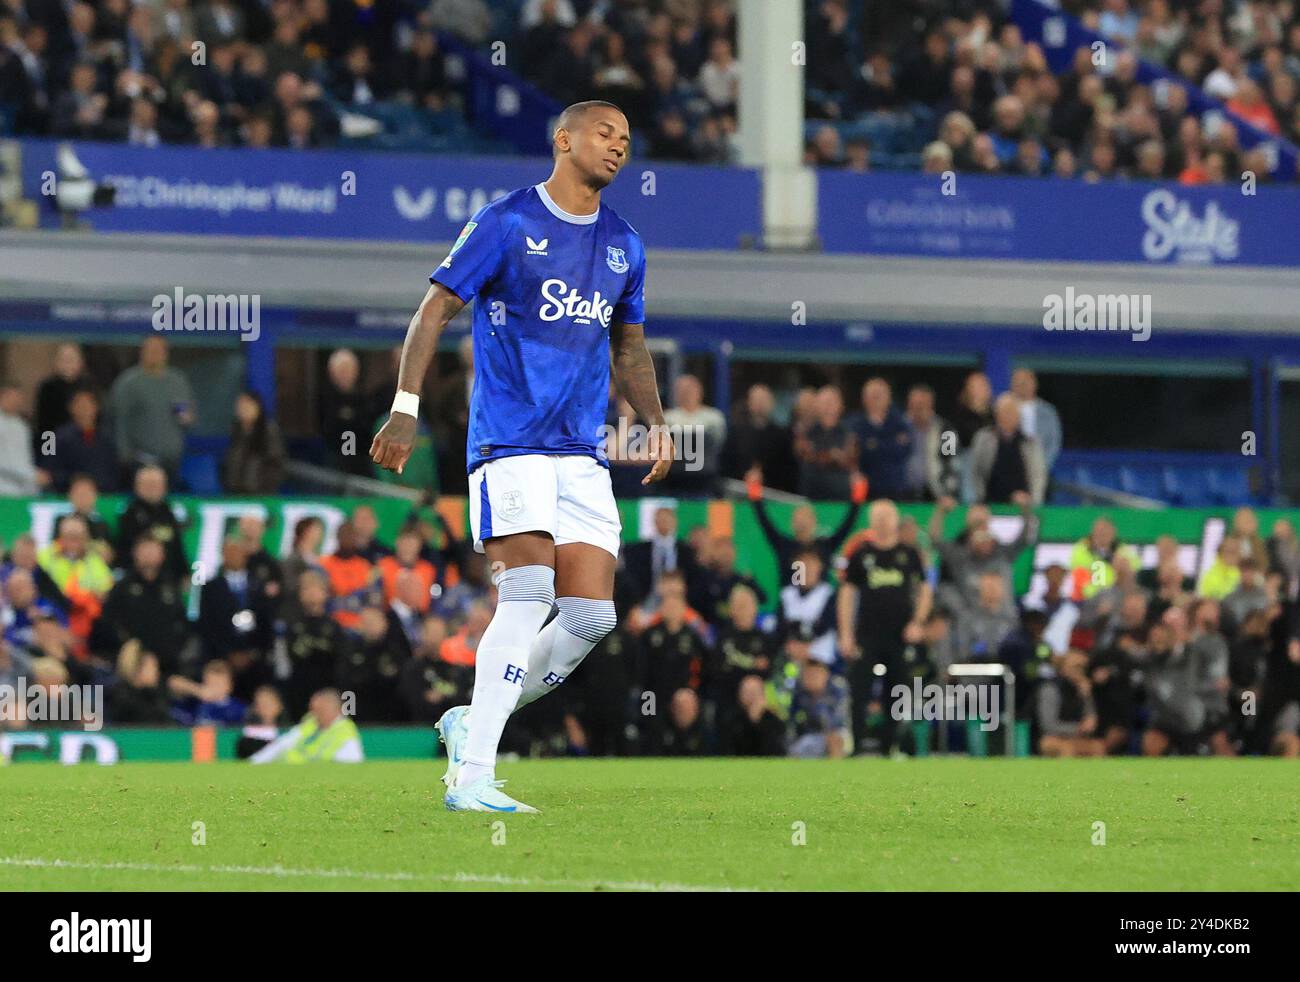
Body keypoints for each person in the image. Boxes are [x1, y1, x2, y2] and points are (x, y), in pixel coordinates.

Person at [370, 100, 668, 813]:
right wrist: (406, 409)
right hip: (510, 443)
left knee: (592, 617)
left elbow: (628, 347)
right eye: (605, 133)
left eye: (627, 139)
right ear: (563, 140)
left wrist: (655, 422)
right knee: (528, 595)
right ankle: (472, 776)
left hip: (581, 452)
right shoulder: (505, 222)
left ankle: (475, 722)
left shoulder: (626, 244)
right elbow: (434, 309)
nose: (619, 147)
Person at [838, 500, 931, 755]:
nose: (882, 522)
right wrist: (846, 633)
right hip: (866, 636)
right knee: (860, 692)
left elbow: (924, 590)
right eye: (877, 517)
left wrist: (918, 622)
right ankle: (856, 747)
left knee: (897, 691)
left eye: (887, 517)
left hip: (899, 636)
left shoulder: (909, 554)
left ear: (895, 520)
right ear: (870, 521)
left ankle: (890, 746)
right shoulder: (861, 554)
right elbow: (847, 593)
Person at [107, 335, 194, 484]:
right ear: (142, 352)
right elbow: (119, 421)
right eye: (151, 350)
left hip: (172, 460)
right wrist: (125, 456)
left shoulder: (177, 381)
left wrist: (186, 418)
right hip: (139, 460)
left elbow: (186, 415)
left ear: (166, 353)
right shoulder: (128, 383)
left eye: (159, 350)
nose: (155, 354)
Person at [250, 688, 365, 763]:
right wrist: (255, 761)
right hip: (290, 773)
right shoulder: (311, 724)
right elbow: (281, 744)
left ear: (332, 709)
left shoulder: (344, 730)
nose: (313, 713)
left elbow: (353, 761)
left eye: (319, 710)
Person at [969, 394, 1046, 505]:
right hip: (990, 504)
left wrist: (1033, 501)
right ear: (997, 415)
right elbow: (975, 472)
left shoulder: (1030, 443)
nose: (1010, 416)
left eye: (1013, 412)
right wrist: (980, 499)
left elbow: (1038, 475)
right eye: (1006, 412)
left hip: (1023, 505)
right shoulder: (983, 438)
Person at [222, 389, 286, 493]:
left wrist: (265, 486)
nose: (243, 409)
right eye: (240, 406)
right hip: (235, 492)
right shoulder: (237, 430)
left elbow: (277, 463)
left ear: (257, 407)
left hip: (259, 494)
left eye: (247, 405)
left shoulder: (268, 430)